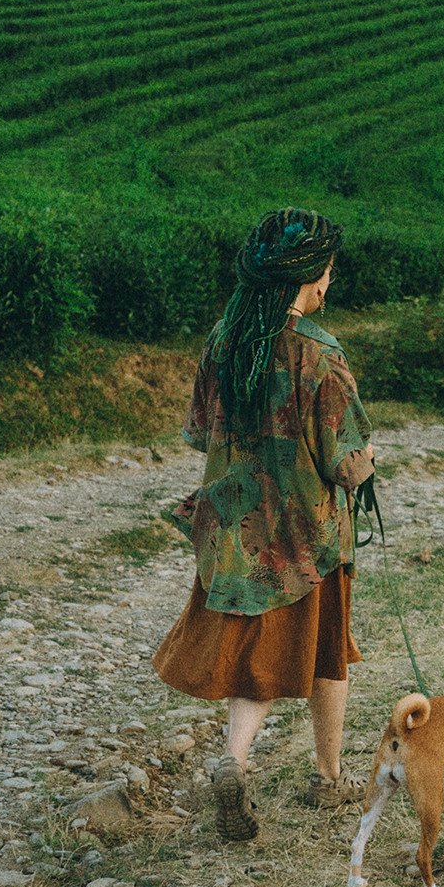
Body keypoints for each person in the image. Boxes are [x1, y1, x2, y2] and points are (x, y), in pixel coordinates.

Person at [152, 207, 376, 842]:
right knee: (328, 650)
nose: (328, 287)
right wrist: (367, 464)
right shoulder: (318, 353)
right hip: (309, 535)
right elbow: (346, 463)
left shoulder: (225, 338)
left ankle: (234, 760)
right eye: (326, 274)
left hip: (236, 531)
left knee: (259, 657)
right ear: (307, 277)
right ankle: (330, 780)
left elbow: (200, 432)